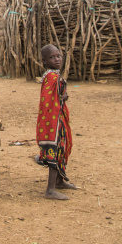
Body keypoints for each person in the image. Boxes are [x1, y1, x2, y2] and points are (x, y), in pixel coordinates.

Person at [36, 44, 76, 200]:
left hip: (58, 118)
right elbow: (48, 99)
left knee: (61, 148)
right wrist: (63, 98)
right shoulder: (51, 77)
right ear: (45, 61)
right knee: (55, 150)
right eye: (52, 57)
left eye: (58, 56)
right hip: (52, 121)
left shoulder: (53, 75)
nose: (57, 59)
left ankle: (59, 181)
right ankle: (50, 190)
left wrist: (62, 97)